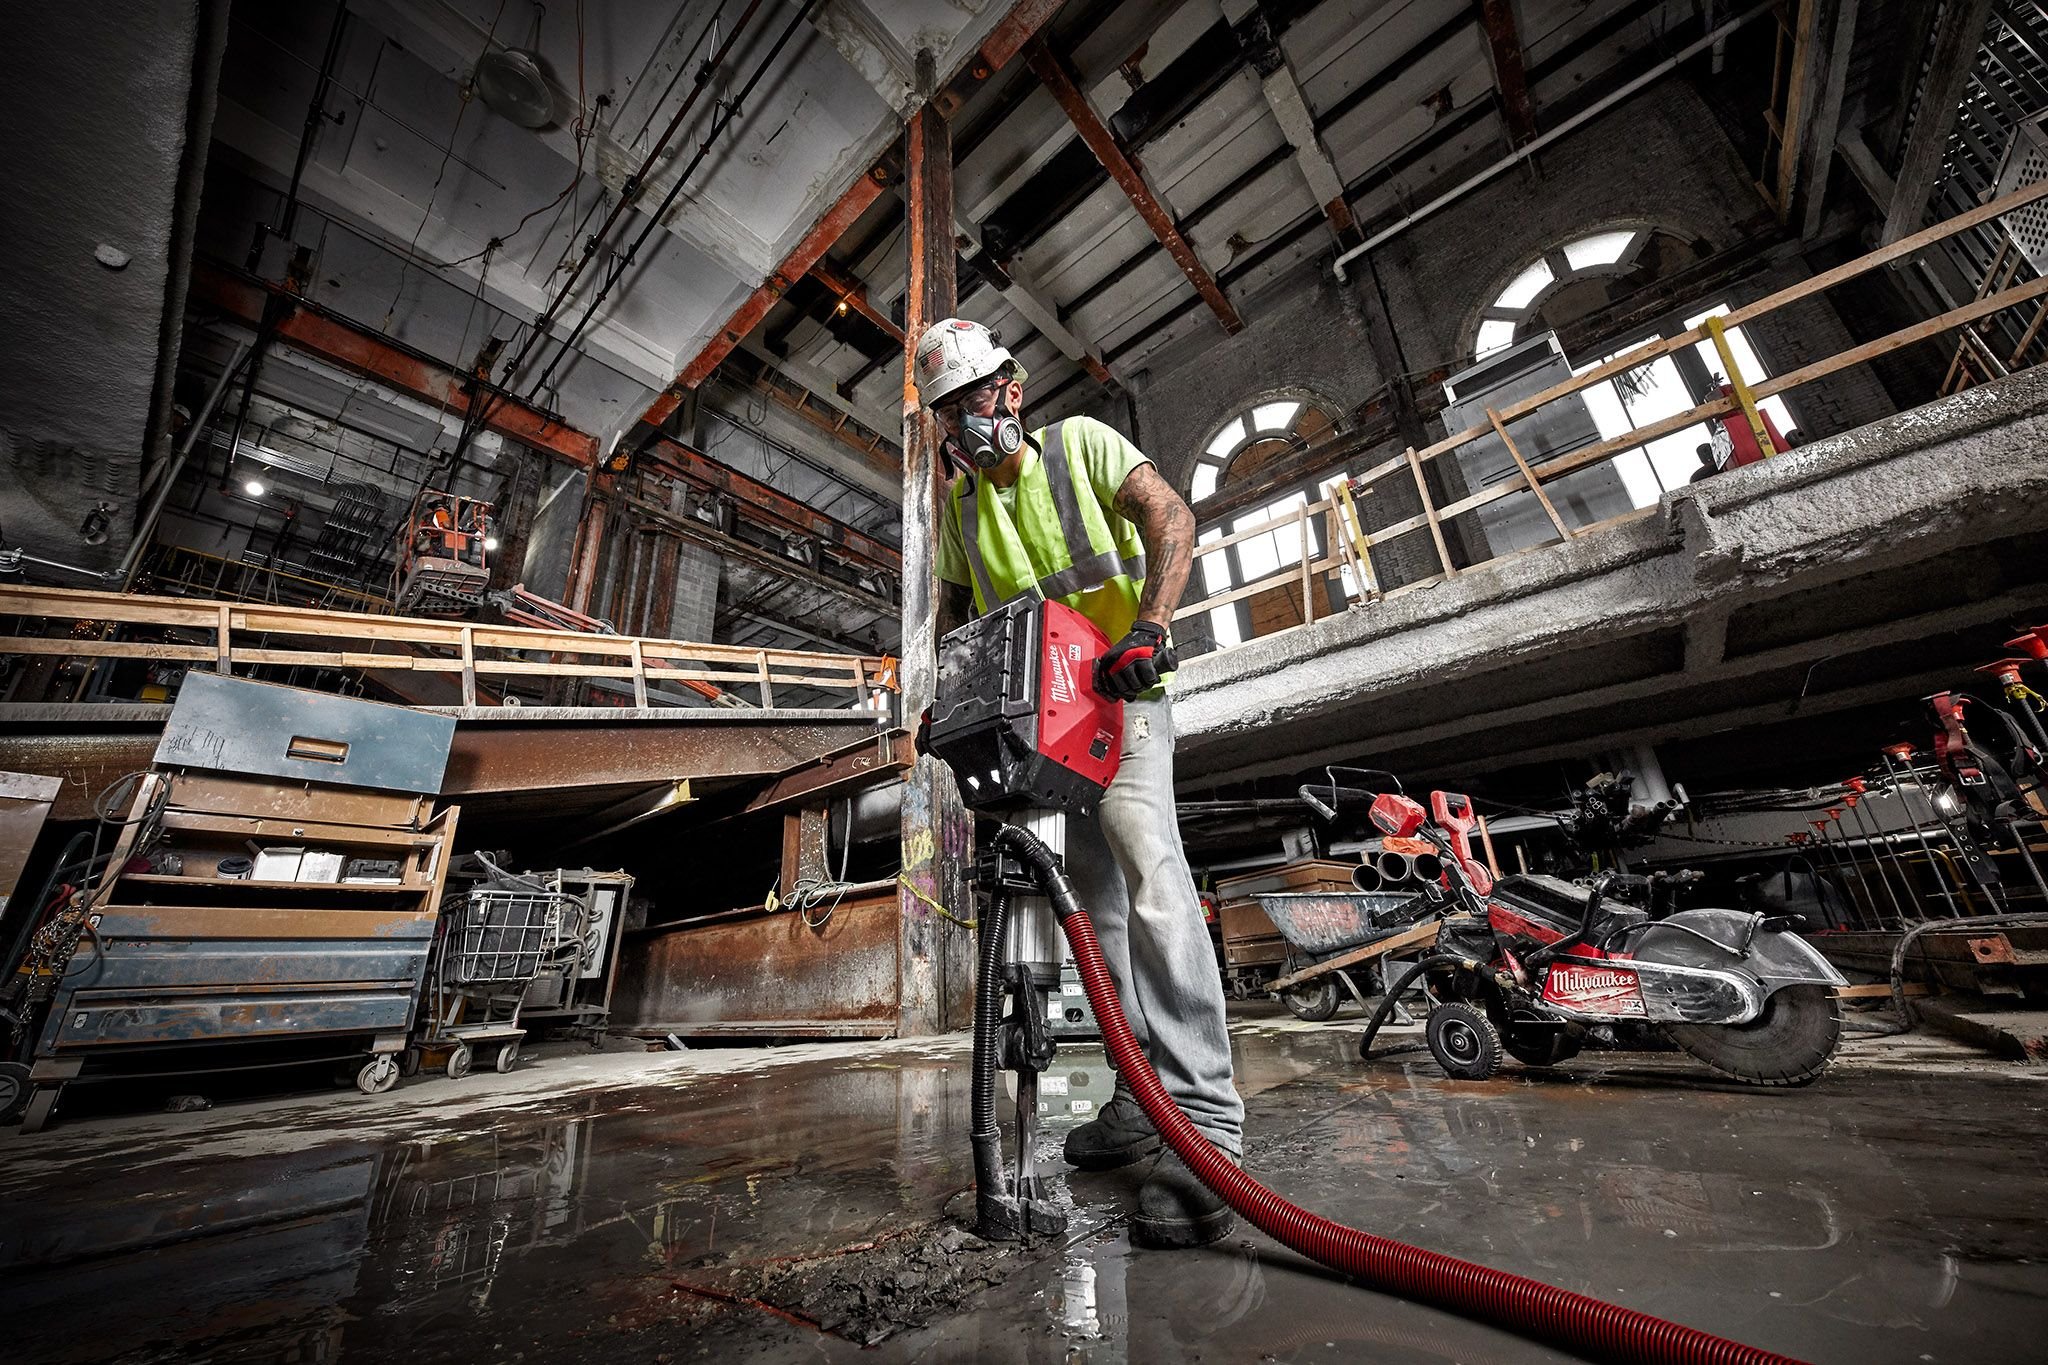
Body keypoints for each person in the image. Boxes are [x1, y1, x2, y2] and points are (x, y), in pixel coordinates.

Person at [913, 317, 1245, 1248]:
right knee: (1096, 918)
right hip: (1052, 729)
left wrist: (1151, 627)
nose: (965, 425)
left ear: (1010, 391)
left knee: (1153, 882)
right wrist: (945, 696)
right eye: (947, 414)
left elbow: (1172, 516)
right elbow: (956, 611)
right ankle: (1140, 1103)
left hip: (1127, 700)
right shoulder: (965, 511)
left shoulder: (1080, 447)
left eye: (973, 400)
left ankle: (1207, 1122)